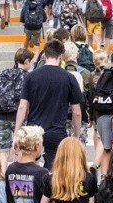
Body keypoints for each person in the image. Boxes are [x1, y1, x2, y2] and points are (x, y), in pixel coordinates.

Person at [14, 39, 84, 170]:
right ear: (61, 56)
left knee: (30, 170)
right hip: (56, 132)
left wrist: (17, 133)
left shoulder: (31, 76)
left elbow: (23, 107)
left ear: (45, 55)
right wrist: (76, 134)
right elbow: (77, 112)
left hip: (33, 131)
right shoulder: (69, 78)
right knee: (55, 171)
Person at [0, 48, 35, 170]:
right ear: (26, 61)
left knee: (3, 150)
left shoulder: (4, 73)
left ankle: (2, 177)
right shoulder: (29, 77)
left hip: (0, 116)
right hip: (19, 116)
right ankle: (17, 174)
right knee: (21, 148)